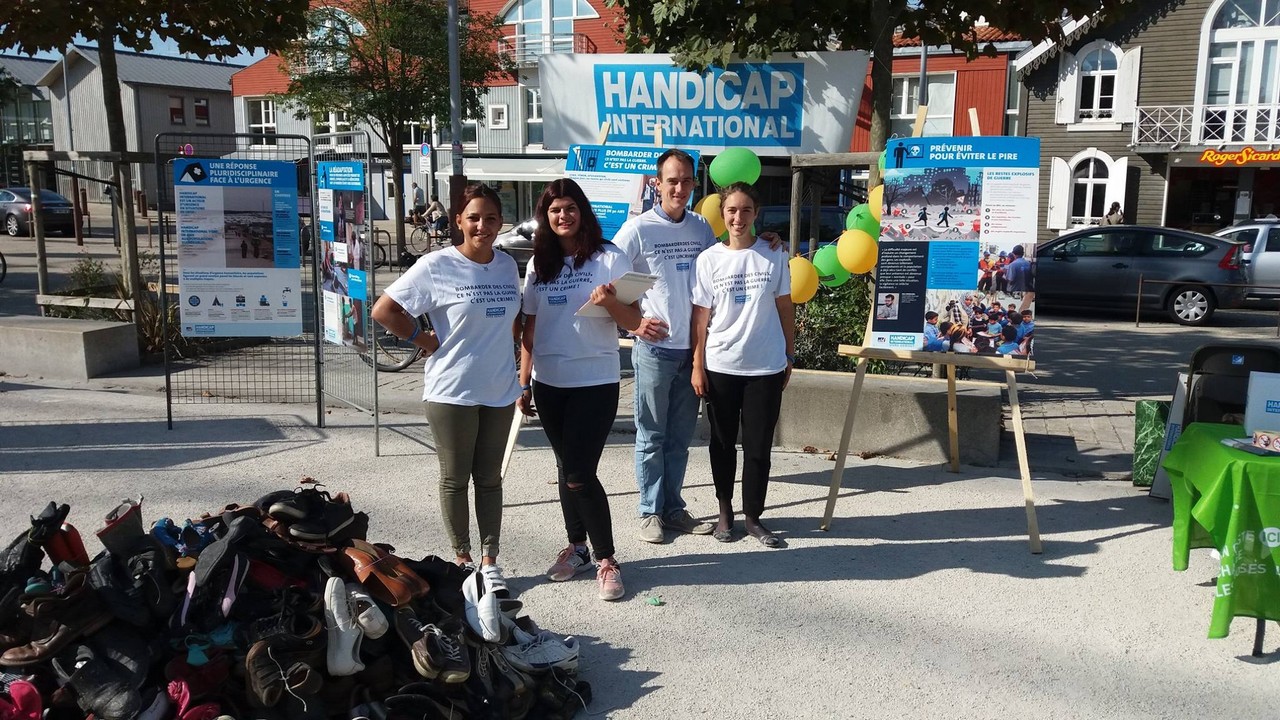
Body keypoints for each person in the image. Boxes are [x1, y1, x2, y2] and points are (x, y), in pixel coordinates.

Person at [371, 183, 521, 582]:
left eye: (490, 218)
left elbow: (511, 321)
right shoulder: (437, 265)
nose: (482, 226)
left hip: (500, 390)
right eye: (474, 218)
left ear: (500, 223)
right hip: (452, 391)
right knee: (455, 479)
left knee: (489, 479)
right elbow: (384, 310)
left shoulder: (506, 266)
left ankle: (490, 561)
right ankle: (462, 559)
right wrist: (422, 339)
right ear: (458, 221)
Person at [519, 178, 642, 602]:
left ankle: (607, 559)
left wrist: (610, 302)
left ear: (582, 211)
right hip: (549, 383)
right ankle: (577, 548)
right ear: (545, 217)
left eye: (570, 208)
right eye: (554, 210)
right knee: (565, 468)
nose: (563, 216)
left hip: (594, 382)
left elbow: (634, 321)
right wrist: (523, 380)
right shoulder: (540, 264)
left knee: (578, 475)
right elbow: (531, 327)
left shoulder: (609, 257)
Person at [611, 149, 719, 544]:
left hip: (692, 351)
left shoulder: (701, 227)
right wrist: (636, 323)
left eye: (686, 180)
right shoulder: (638, 230)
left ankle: (673, 509)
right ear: (657, 184)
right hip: (655, 351)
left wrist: (768, 241)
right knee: (651, 435)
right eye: (671, 180)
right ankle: (649, 512)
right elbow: (607, 279)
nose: (679, 188)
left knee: (679, 438)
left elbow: (721, 266)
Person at [691, 182, 794, 547]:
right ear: (722, 215)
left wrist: (789, 355)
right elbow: (700, 317)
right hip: (721, 365)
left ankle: (753, 517)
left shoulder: (773, 253)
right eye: (731, 210)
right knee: (721, 444)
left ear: (756, 214)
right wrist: (697, 364)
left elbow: (785, 306)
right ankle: (724, 513)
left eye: (746, 210)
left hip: (765, 366)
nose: (738, 217)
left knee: (758, 448)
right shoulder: (708, 260)